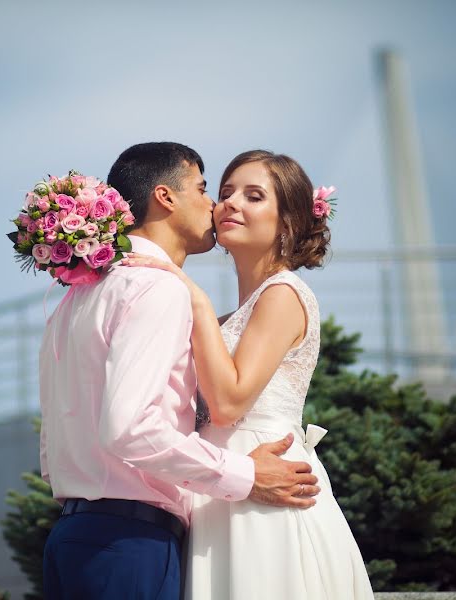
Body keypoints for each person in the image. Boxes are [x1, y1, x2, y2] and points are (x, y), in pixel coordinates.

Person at [38, 142, 321, 600]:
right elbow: (131, 429)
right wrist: (244, 476)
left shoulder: (75, 297)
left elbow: (52, 447)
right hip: (135, 536)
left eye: (251, 196)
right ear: (167, 198)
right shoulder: (157, 288)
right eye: (211, 189)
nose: (218, 204)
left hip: (78, 533)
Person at [123, 150, 375, 599]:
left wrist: (192, 298)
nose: (230, 204)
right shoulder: (225, 318)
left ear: (288, 223)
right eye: (224, 193)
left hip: (268, 496)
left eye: (254, 196)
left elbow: (228, 404)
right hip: (223, 491)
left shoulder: (283, 294)